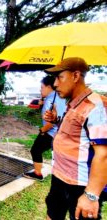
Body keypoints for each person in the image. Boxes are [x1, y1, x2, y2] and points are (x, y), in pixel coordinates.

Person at [43, 57, 106, 220]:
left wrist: (91, 195)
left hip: (79, 185)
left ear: (76, 76)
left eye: (59, 77)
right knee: (52, 214)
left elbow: (103, 154)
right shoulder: (74, 103)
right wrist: (56, 120)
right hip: (60, 176)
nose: (55, 84)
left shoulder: (95, 106)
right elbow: (78, 133)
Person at [23, 75, 66, 180]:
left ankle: (37, 173)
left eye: (42, 87)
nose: (40, 89)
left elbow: (53, 121)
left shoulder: (51, 100)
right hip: (59, 132)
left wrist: (42, 130)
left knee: (35, 150)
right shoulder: (59, 97)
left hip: (50, 132)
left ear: (49, 87)